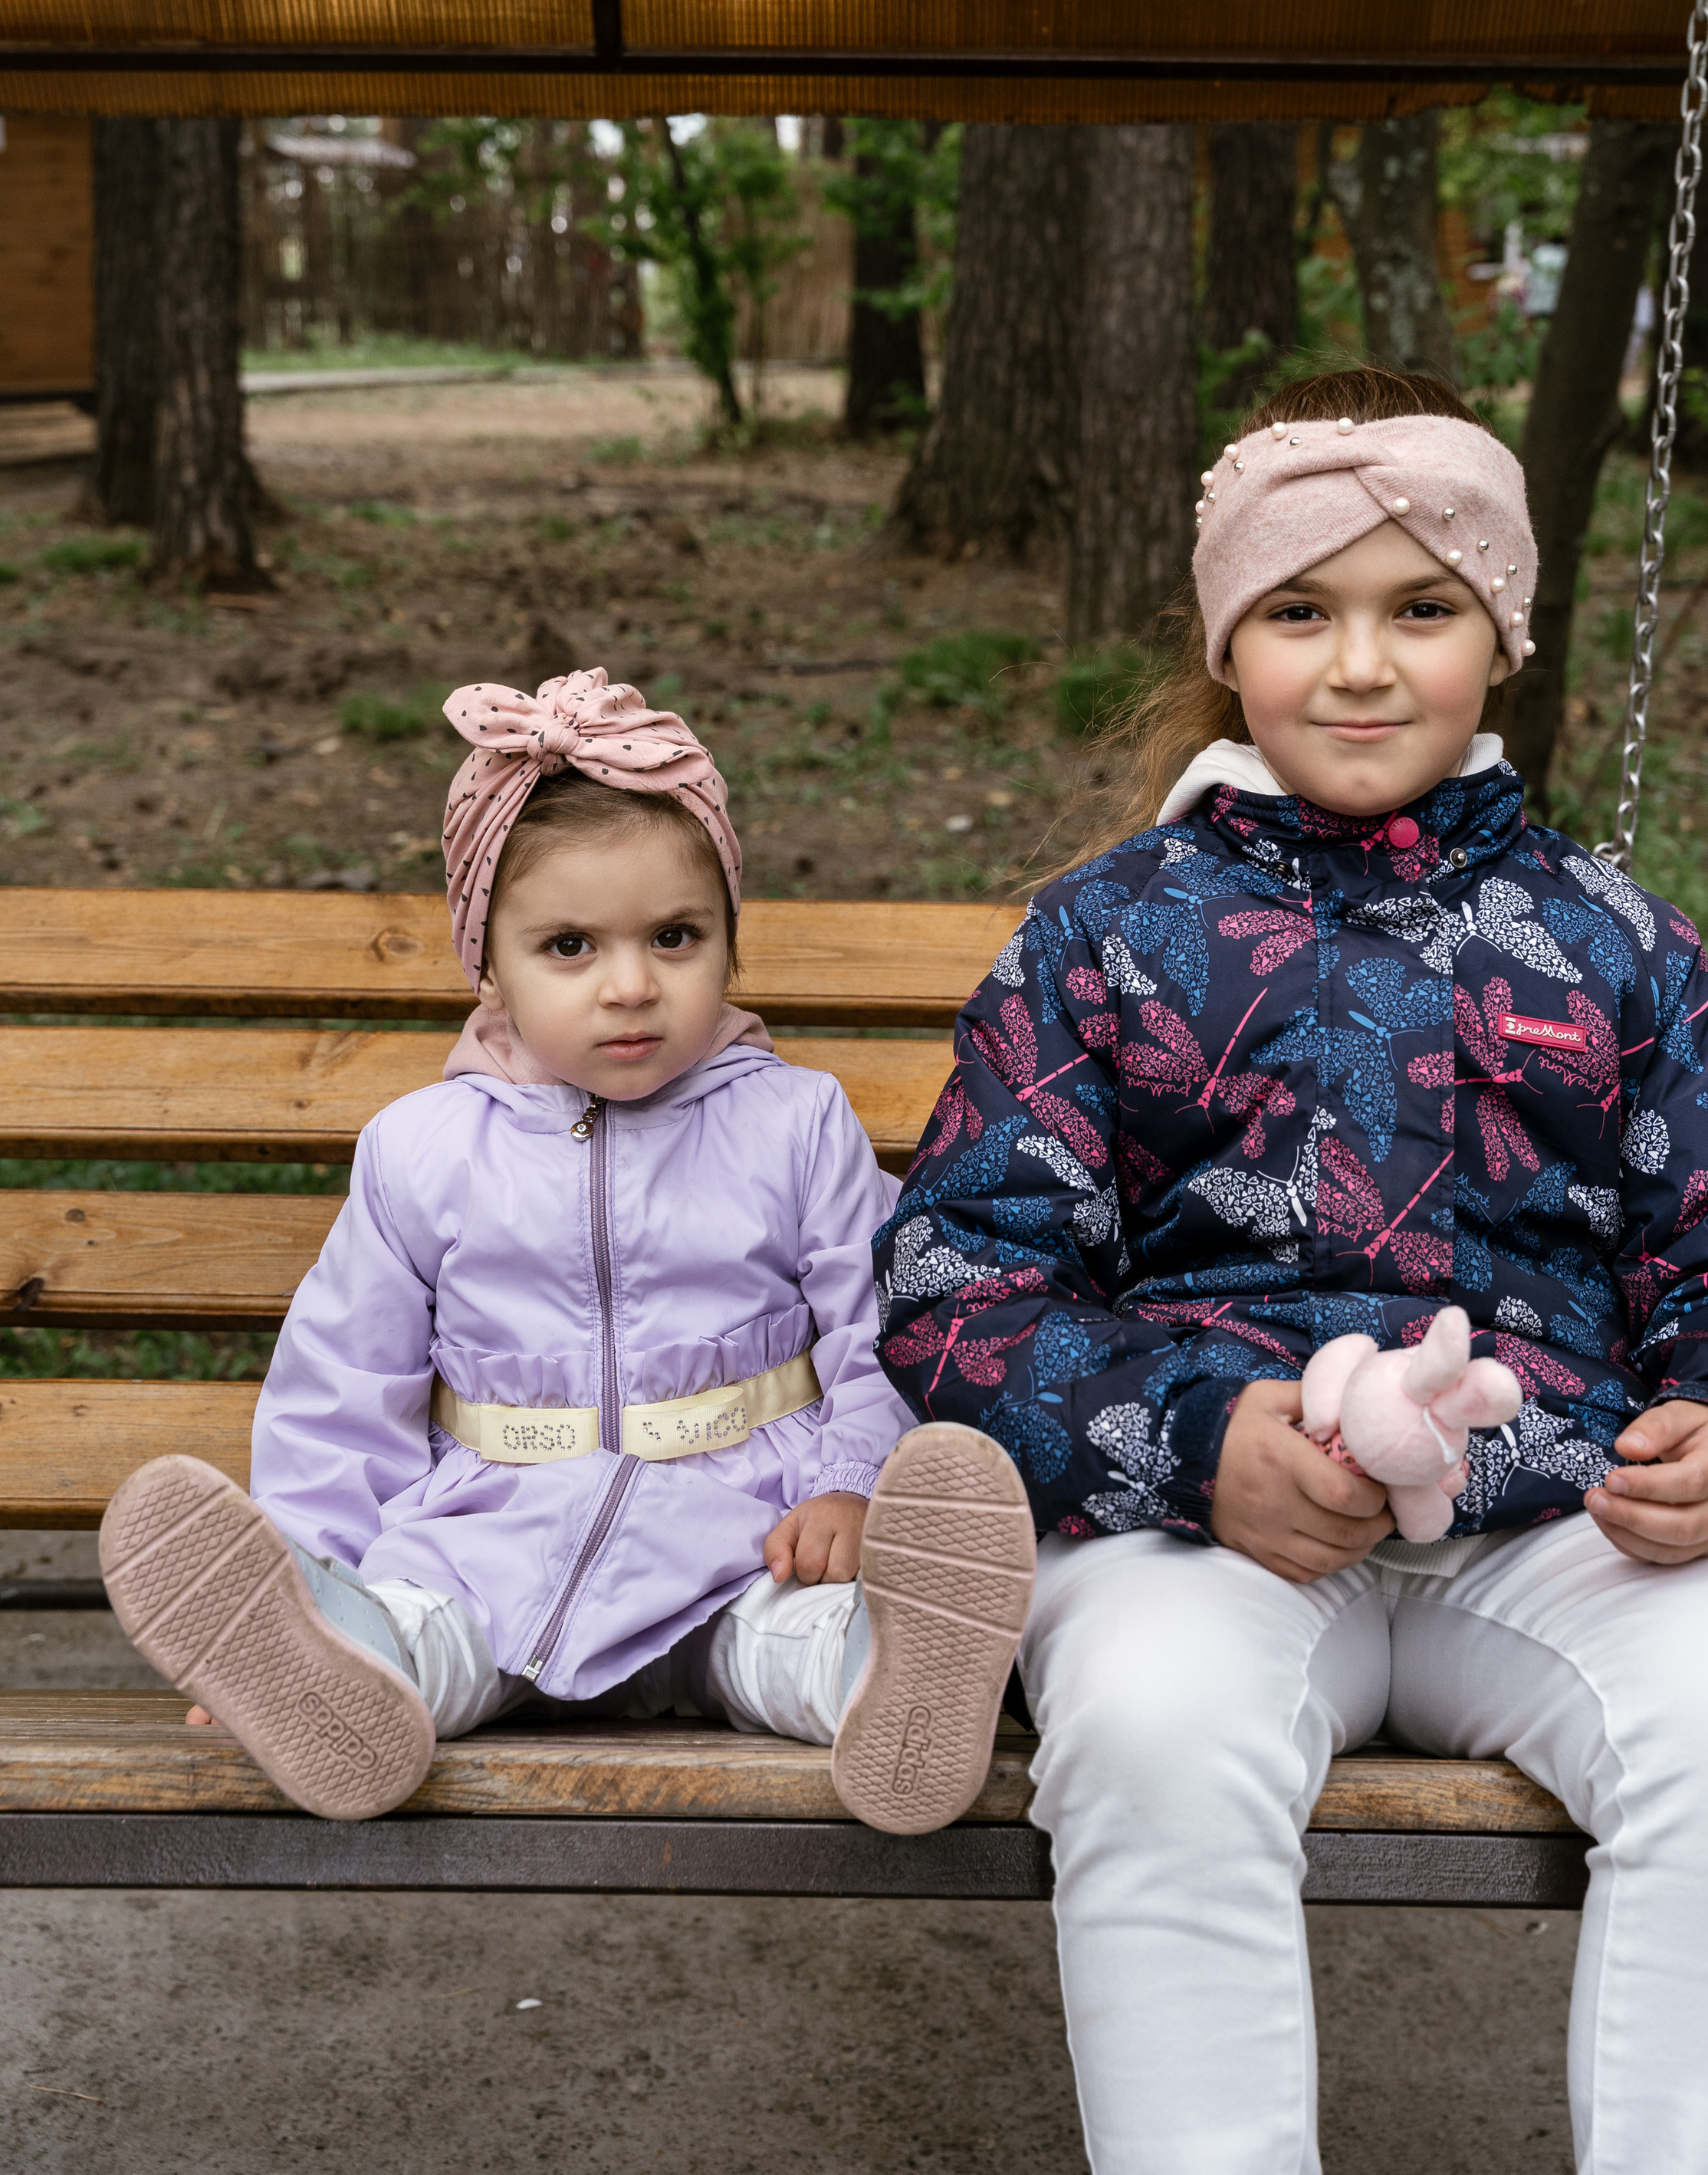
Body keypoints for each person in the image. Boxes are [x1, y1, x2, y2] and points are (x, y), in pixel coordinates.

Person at [875, 366, 1708, 2175]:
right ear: (1225, 645)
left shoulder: (1608, 944)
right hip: (1222, 1519)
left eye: (1417, 608)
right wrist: (1193, 1441)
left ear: (1497, 634)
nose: (1358, 666)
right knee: (1155, 1728)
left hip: (1563, 1519)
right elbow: (962, 1278)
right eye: (1299, 610)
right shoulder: (1108, 936)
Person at [100, 669, 1035, 1830]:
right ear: (486, 960)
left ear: (729, 941)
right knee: (418, 1636)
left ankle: (895, 1684)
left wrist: (854, 1482)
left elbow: (882, 1322)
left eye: (676, 937)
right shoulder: (422, 1151)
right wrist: (317, 1565)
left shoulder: (795, 1125)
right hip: (493, 1547)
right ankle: (321, 1650)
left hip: (745, 1541)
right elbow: (342, 1391)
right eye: (571, 947)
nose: (631, 985)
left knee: (799, 1645)